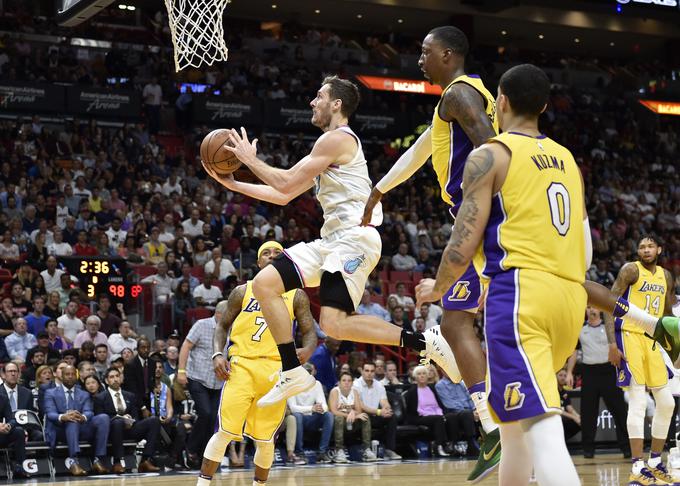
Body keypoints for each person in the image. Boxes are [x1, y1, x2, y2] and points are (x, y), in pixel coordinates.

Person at [206, 76, 456, 410]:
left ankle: (426, 342)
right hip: (331, 242)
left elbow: (287, 180)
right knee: (265, 284)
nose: (312, 102)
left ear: (336, 104)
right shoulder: (326, 146)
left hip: (355, 239)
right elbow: (285, 194)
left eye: (319, 96)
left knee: (334, 323)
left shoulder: (338, 139)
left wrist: (250, 161)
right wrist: (235, 184)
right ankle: (292, 370)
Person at [414, 64, 585, 486]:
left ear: (501, 101)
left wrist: (438, 287)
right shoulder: (567, 160)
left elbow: (463, 237)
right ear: (545, 106)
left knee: (542, 429)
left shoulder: (490, 154)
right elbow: (585, 242)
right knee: (512, 429)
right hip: (569, 297)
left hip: (522, 294)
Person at [360, 26, 501, 481]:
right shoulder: (457, 100)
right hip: (483, 216)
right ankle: (496, 425)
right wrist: (379, 190)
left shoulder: (461, 94)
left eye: (424, 52)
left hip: (478, 218)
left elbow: (491, 147)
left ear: (446, 54)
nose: (418, 59)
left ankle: (496, 426)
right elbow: (421, 151)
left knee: (461, 321)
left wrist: (488, 205)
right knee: (465, 320)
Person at [196, 241, 318, 486]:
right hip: (242, 366)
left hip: (276, 371)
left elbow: (309, 332)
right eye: (266, 253)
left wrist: (308, 348)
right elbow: (221, 326)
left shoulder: (297, 295)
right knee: (225, 432)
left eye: (277, 253)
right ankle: (202, 483)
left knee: (265, 439)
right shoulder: (243, 291)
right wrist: (217, 355)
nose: (272, 256)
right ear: (259, 262)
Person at [605, 235, 680, 485]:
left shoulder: (665, 276)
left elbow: (667, 314)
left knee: (667, 403)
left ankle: (656, 462)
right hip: (628, 337)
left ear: (659, 249)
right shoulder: (630, 270)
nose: (645, 250)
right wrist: (612, 344)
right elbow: (608, 303)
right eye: (641, 246)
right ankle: (637, 467)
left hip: (652, 340)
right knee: (637, 400)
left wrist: (674, 348)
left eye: (650, 246)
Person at [566, 306, 630, 458]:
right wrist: (569, 371)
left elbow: (618, 346)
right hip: (589, 373)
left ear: (600, 310)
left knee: (620, 411)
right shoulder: (580, 330)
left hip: (608, 371)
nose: (591, 310)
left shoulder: (608, 328)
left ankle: (626, 447)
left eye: (593, 307)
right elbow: (574, 352)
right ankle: (588, 449)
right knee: (588, 413)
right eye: (588, 307)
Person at [178, 303, 226, 467]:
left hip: (218, 382)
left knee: (213, 418)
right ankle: (190, 449)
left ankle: (205, 454)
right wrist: (181, 371)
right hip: (198, 377)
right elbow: (186, 345)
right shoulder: (201, 325)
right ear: (218, 314)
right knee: (205, 413)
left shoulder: (231, 329)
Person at [44, 365, 111, 476]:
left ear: (76, 376)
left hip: (81, 428)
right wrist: (64, 416)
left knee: (103, 418)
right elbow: (50, 413)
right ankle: (73, 460)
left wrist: (82, 417)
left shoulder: (84, 394)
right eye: (67, 374)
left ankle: (97, 459)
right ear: (62, 376)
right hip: (60, 430)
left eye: (73, 374)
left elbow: (89, 411)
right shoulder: (51, 393)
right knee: (71, 420)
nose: (70, 377)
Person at [95, 367, 161, 473]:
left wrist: (131, 420)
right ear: (107, 381)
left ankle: (146, 460)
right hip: (112, 430)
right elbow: (100, 418)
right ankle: (118, 462)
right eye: (112, 377)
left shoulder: (129, 395)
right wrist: (120, 419)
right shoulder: (100, 397)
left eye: (117, 376)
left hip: (130, 428)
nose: (115, 379)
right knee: (117, 422)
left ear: (121, 378)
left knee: (154, 420)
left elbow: (135, 416)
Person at [287, 363, 334, 463]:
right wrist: (312, 408)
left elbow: (324, 406)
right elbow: (293, 408)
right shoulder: (291, 385)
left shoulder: (317, 384)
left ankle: (322, 452)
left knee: (328, 415)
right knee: (297, 416)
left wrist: (320, 408)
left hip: (312, 418)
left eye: (309, 373)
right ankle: (299, 453)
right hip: (299, 419)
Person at [353, 362, 401, 459]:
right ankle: (367, 450)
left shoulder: (379, 385)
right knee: (365, 416)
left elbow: (384, 401)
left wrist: (387, 409)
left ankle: (389, 450)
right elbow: (360, 405)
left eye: (372, 371)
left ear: (375, 373)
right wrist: (379, 411)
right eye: (367, 371)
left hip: (376, 415)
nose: (369, 373)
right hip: (361, 415)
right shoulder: (356, 385)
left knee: (392, 417)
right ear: (362, 371)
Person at [328, 371, 375, 463]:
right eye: (344, 380)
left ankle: (367, 450)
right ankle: (339, 450)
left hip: (352, 422)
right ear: (339, 382)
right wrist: (349, 414)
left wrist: (354, 413)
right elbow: (333, 411)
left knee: (365, 417)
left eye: (349, 381)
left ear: (352, 383)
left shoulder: (355, 392)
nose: (346, 382)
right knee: (339, 418)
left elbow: (359, 410)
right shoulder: (335, 391)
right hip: (338, 423)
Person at [404, 365, 450, 457]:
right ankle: (439, 446)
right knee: (438, 419)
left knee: (451, 417)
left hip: (435, 415)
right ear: (415, 377)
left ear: (427, 376)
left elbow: (439, 405)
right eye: (419, 374)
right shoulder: (411, 392)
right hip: (418, 417)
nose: (422, 376)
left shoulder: (432, 388)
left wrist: (444, 414)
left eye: (424, 373)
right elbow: (412, 410)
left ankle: (453, 444)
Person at [435, 373, 480, 457]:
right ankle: (471, 442)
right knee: (466, 414)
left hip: (469, 411)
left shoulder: (462, 383)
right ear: (442, 370)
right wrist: (471, 413)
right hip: (453, 412)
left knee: (485, 412)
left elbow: (470, 397)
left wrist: (475, 409)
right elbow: (449, 404)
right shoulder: (440, 385)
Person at [0, 390, 30, 478]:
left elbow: (12, 419)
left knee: (19, 431)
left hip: (1, 434)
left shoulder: (3, 398)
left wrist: (8, 426)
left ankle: (19, 468)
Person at [122, 337, 154, 408]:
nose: (146, 350)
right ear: (137, 349)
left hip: (149, 400)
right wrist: (142, 407)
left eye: (148, 347)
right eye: (143, 347)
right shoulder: (130, 365)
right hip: (135, 402)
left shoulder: (152, 362)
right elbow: (132, 388)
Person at [556, 369, 581, 441]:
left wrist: (579, 417)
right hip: (554, 417)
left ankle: (562, 441)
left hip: (562, 417)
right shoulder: (553, 391)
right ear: (555, 376)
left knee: (579, 422)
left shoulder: (564, 392)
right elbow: (558, 410)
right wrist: (574, 417)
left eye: (565, 376)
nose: (563, 378)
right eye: (560, 375)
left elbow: (569, 408)